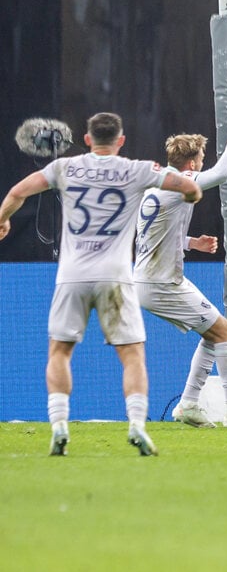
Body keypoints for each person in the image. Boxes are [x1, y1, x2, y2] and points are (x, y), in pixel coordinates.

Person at [0, 112, 202, 456]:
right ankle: (137, 424)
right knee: (132, 355)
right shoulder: (138, 169)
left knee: (60, 351)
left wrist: (3, 219)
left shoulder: (65, 168)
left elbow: (19, 191)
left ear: (88, 138)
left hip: (72, 275)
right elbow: (189, 187)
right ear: (120, 141)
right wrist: (191, 197)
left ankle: (60, 425)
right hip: (116, 275)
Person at [134, 119, 227, 429]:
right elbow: (222, 173)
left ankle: (188, 405)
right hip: (161, 284)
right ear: (192, 162)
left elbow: (148, 234)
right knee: (224, 332)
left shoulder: (157, 186)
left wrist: (191, 243)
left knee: (215, 333)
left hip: (155, 279)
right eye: (200, 159)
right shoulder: (178, 182)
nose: (202, 164)